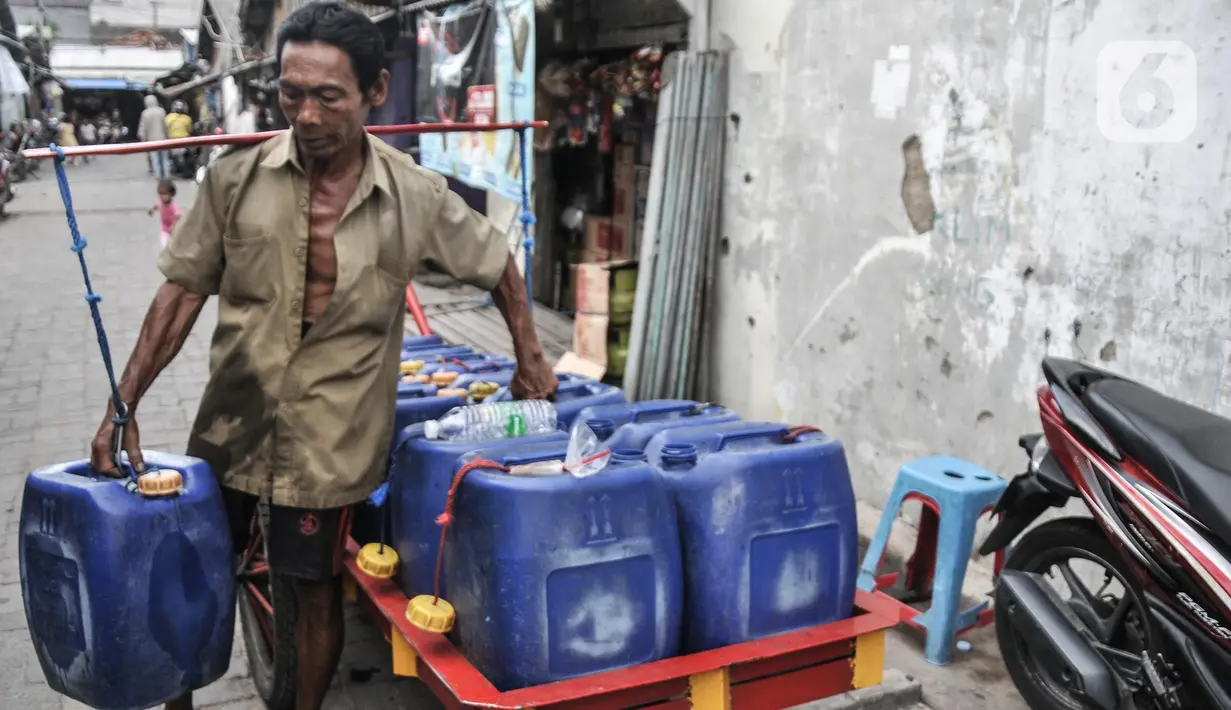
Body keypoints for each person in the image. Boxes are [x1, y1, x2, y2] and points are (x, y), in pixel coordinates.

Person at [88, 3, 558, 709]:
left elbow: (497, 266)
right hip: (231, 424)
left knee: (311, 593)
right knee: (191, 570)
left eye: (328, 97)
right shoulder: (234, 180)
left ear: (373, 93)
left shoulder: (416, 196)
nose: (305, 115)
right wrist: (121, 407)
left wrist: (530, 358)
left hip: (332, 440)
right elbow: (181, 294)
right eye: (290, 93)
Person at [138, 94, 169, 177]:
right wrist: (167, 136)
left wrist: (143, 139)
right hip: (163, 139)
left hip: (152, 140)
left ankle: (158, 175)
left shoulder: (145, 113)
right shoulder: (161, 111)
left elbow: (143, 128)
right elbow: (165, 125)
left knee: (155, 159)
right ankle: (166, 174)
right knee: (164, 159)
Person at [147, 179, 181, 250]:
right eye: (160, 194)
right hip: (164, 228)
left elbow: (178, 216)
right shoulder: (161, 202)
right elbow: (157, 206)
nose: (162, 196)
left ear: (171, 194)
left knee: (174, 245)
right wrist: (152, 210)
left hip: (173, 229)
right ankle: (165, 256)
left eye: (165, 194)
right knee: (164, 245)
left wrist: (173, 225)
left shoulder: (173, 206)